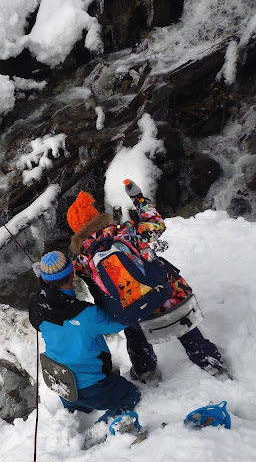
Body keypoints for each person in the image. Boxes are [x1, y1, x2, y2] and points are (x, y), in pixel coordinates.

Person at [67, 180, 228, 385]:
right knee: (184, 324)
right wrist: (138, 198)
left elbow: (65, 276)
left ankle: (146, 371)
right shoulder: (126, 231)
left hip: (136, 313)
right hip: (167, 298)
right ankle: (210, 361)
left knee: (133, 331)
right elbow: (157, 224)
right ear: (98, 218)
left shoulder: (82, 259)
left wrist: (46, 270)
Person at [28, 251, 141, 423]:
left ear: (44, 280)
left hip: (62, 383)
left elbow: (42, 316)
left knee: (79, 400)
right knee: (131, 394)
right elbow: (119, 322)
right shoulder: (87, 314)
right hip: (93, 387)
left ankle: (78, 409)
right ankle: (101, 427)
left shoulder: (36, 304)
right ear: (72, 273)